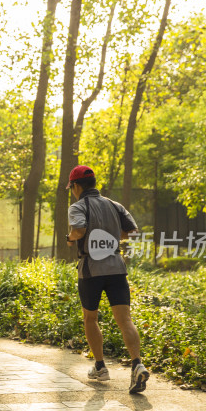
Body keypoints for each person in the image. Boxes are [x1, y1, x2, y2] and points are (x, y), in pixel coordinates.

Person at [65, 165, 150, 393]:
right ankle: (137, 364)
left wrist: (70, 237)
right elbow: (132, 231)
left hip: (91, 269)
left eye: (71, 187)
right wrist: (113, 235)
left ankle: (101, 367)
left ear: (76, 186)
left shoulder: (78, 206)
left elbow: (79, 230)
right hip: (116, 268)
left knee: (90, 318)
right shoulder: (115, 205)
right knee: (125, 320)